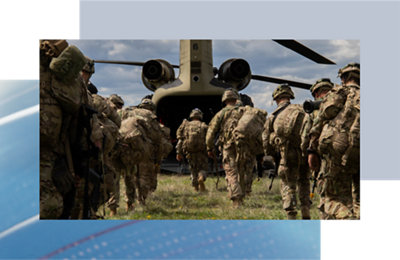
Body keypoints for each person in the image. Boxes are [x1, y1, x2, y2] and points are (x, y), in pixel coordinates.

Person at [308, 63, 360, 219]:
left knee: (332, 198)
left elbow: (322, 118)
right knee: (359, 197)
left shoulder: (340, 92)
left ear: (344, 78)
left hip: (338, 149)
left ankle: (346, 219)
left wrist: (311, 150)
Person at [262, 84, 310, 219]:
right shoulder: (302, 110)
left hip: (287, 154)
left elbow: (266, 138)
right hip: (303, 151)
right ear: (290, 97)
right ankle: (306, 209)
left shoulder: (273, 116)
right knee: (305, 181)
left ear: (276, 99)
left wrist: (271, 154)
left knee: (288, 183)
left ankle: (291, 214)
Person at [206, 89, 246, 207]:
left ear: (224, 100)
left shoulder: (221, 113)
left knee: (231, 171)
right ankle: (242, 195)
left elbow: (211, 132)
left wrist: (209, 147)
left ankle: (237, 199)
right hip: (243, 146)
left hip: (228, 146)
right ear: (236, 98)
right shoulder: (244, 112)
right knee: (241, 171)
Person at [301, 78, 333, 219]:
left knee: (326, 195)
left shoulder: (314, 111)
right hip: (349, 157)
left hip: (323, 159)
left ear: (316, 93)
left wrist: (307, 154)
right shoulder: (345, 105)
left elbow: (305, 137)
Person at [176, 108, 209, 192]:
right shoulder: (204, 126)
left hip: (189, 152)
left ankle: (195, 188)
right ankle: (201, 176)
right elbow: (209, 139)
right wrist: (210, 150)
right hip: (202, 151)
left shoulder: (186, 126)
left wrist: (178, 152)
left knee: (193, 169)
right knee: (203, 167)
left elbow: (180, 140)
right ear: (200, 116)